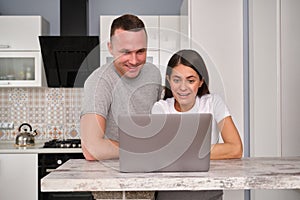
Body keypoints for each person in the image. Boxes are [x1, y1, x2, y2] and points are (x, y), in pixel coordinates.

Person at [152, 49, 243, 200]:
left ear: (201, 81)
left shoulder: (213, 103)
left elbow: (235, 148)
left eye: (191, 80)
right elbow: (160, 155)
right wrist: (201, 153)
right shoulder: (161, 108)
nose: (183, 87)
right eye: (176, 80)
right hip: (170, 191)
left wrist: (180, 151)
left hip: (209, 190)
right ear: (168, 80)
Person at [80, 14, 162, 161]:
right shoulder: (99, 81)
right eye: (126, 52)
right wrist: (141, 149)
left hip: (150, 166)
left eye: (140, 51)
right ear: (110, 48)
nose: (134, 60)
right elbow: (91, 149)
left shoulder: (153, 73)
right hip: (112, 172)